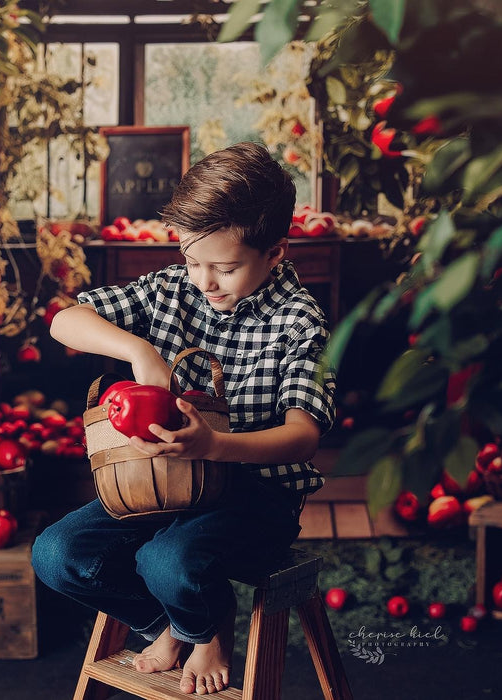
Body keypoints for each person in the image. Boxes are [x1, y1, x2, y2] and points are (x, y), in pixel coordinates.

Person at [32, 141, 335, 695]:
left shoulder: (300, 321)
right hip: (164, 486)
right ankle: (179, 625)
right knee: (57, 555)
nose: (204, 282)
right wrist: (140, 353)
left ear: (276, 252)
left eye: (224, 267)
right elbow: (63, 321)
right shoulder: (171, 291)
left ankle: (206, 630)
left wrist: (214, 447)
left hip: (255, 497)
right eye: (193, 261)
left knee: (168, 560)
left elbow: (303, 437)